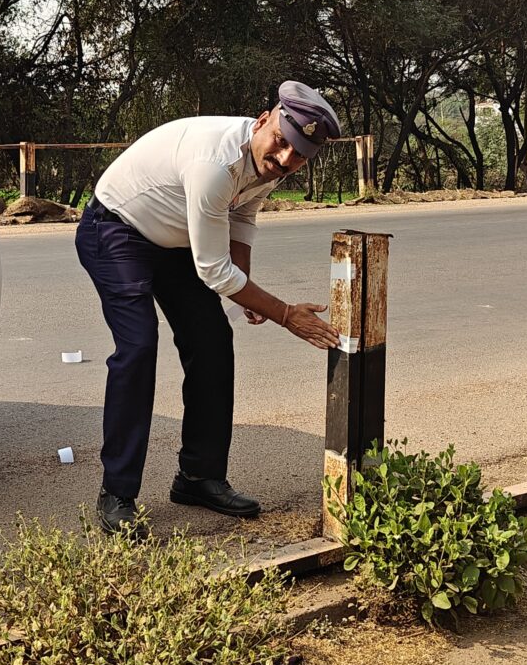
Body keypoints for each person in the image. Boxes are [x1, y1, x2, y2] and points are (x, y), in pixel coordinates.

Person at [75, 81, 342, 537]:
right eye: (280, 142)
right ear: (263, 120)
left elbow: (242, 218)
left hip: (174, 240)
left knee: (213, 341)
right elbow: (215, 273)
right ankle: (117, 492)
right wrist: (281, 312)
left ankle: (198, 478)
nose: (283, 160)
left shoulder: (271, 165)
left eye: (298, 155)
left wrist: (247, 286)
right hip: (116, 230)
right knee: (138, 347)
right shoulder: (214, 164)